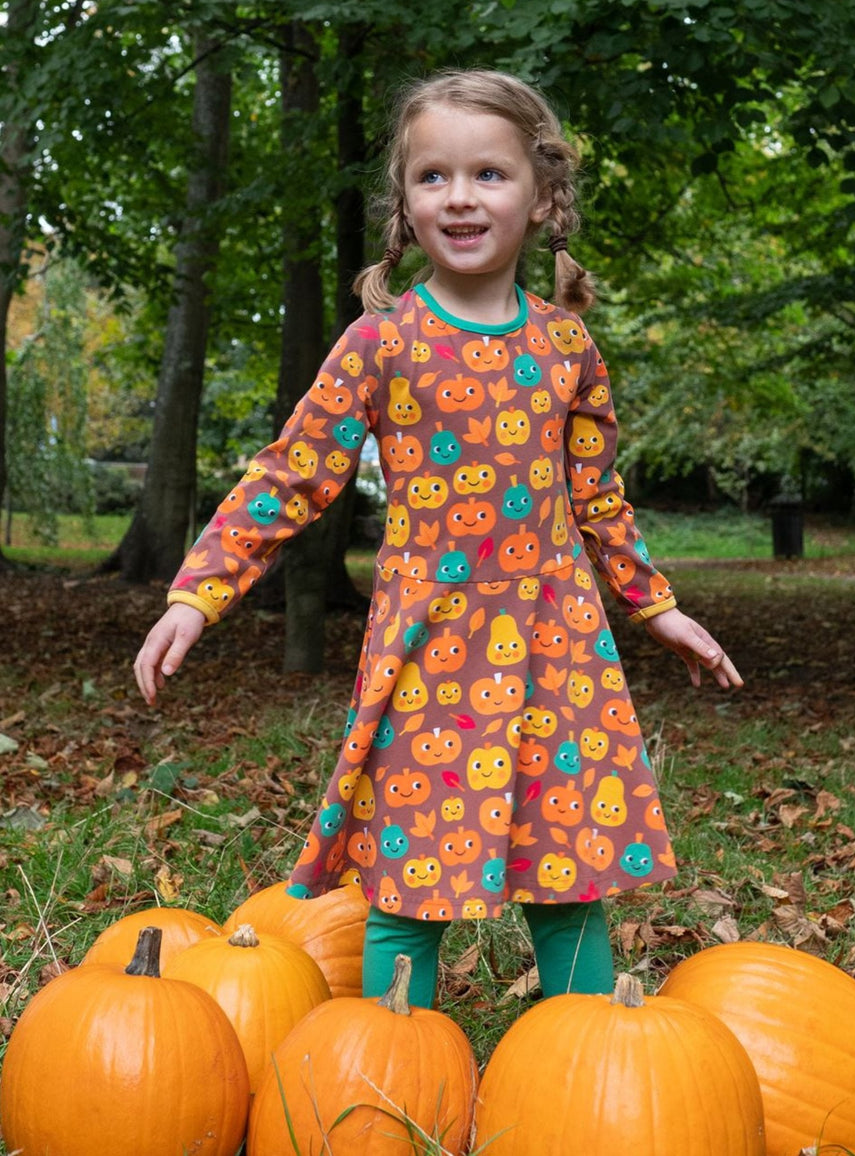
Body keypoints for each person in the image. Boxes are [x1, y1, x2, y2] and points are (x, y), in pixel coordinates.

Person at [134, 68, 742, 1008]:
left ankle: (584, 1068)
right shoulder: (381, 343)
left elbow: (597, 496)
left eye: (489, 175)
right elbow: (290, 474)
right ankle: (386, 1077)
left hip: (557, 647)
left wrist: (656, 606)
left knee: (569, 875)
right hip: (433, 653)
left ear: (543, 199)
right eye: (433, 177)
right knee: (409, 882)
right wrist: (196, 593)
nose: (460, 196)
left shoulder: (566, 347)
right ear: (405, 204)